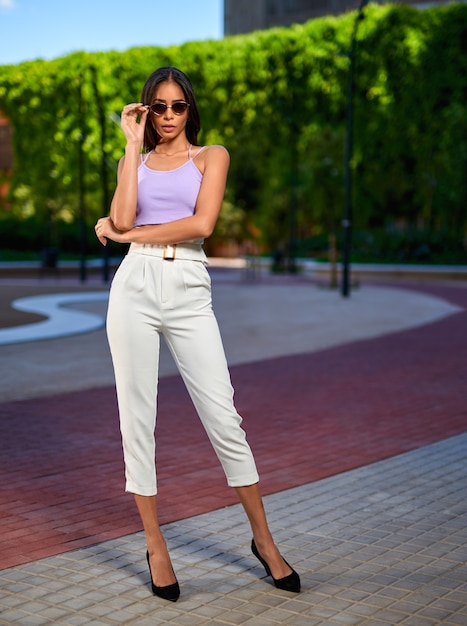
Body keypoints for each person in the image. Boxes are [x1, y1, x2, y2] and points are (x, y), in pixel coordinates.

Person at [94, 66, 300, 602]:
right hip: (133, 285)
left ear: (190, 108)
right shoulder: (132, 160)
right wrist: (130, 148)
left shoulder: (212, 156)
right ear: (146, 110)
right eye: (156, 107)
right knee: (135, 417)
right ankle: (155, 544)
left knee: (223, 416)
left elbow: (201, 225)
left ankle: (264, 539)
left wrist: (126, 234)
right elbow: (119, 212)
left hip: (187, 284)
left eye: (176, 106)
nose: (166, 116)